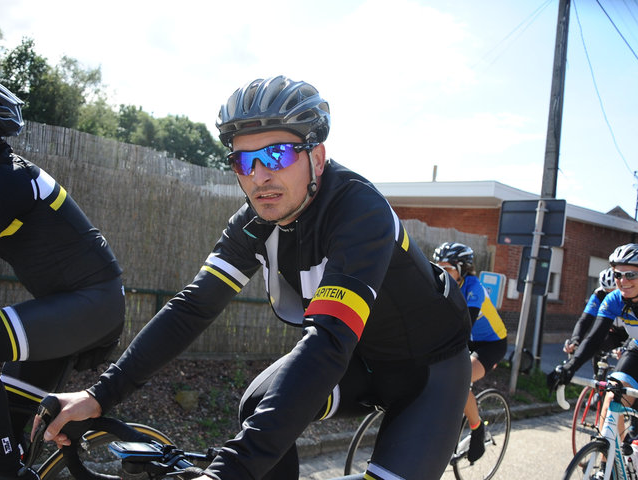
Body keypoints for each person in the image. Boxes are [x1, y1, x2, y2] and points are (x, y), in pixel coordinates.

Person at [38, 76, 473, 480]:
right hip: (360, 361)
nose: (260, 176)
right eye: (244, 161)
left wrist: (229, 472)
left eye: (277, 155)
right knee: (257, 402)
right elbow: (191, 309)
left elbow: (326, 341)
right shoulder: (254, 222)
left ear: (316, 157)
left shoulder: (361, 211)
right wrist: (98, 396)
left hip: (428, 373)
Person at [0, 71, 125, 480]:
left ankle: (8, 472)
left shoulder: (7, 182)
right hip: (59, 307)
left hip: (93, 303)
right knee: (9, 428)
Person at [547, 243, 638, 437]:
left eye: (631, 275)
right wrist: (569, 368)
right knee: (612, 399)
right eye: (618, 274)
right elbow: (594, 337)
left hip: (634, 345)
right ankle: (608, 465)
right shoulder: (613, 299)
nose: (623, 281)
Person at [433, 241, 508, 462]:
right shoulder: (440, 284)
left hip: (491, 344)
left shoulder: (474, 287)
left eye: (446, 268)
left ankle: (477, 429)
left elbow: (466, 325)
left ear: (462, 269)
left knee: (458, 380)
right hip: (470, 340)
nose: (440, 273)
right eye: (438, 267)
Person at [563, 267, 627, 375]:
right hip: (614, 332)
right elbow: (585, 320)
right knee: (597, 347)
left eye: (614, 292)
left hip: (633, 333)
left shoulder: (630, 295)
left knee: (629, 360)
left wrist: (625, 347)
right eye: (607, 292)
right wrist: (575, 340)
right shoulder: (599, 295)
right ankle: (599, 383)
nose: (610, 296)